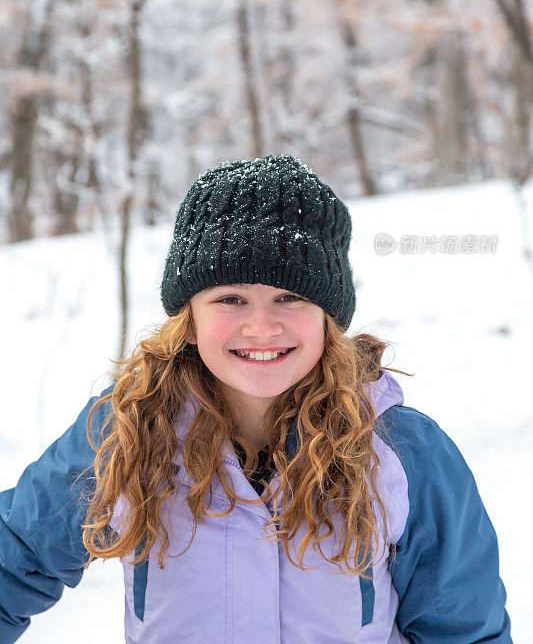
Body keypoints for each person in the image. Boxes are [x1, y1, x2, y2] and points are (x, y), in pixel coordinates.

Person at [0, 153, 512, 644]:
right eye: (230, 298)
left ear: (328, 317)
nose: (261, 326)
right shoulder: (129, 425)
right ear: (189, 316)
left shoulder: (402, 450)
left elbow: (466, 630)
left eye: (290, 297)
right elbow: (14, 558)